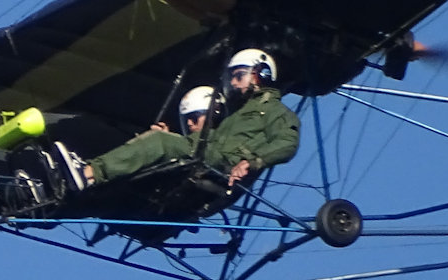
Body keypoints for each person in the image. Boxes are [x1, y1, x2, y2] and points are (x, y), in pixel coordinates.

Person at [57, 49, 300, 191]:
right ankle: (69, 184)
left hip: (220, 165)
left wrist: (252, 162)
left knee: (161, 143)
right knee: (156, 141)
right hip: (208, 157)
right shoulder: (236, 116)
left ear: (261, 75)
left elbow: (287, 143)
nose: (234, 83)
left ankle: (89, 173)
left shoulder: (276, 112)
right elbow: (208, 139)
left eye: (239, 76)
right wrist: (168, 137)